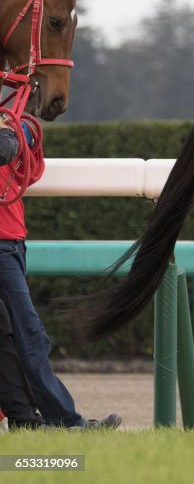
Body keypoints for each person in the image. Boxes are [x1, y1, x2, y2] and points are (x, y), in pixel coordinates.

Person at [0, 115, 121, 430]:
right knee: (29, 334)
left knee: (9, 336)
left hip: (12, 243)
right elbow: (6, 151)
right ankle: (67, 421)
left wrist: (22, 133)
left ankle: (24, 420)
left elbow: (31, 171)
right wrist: (14, 134)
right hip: (3, 246)